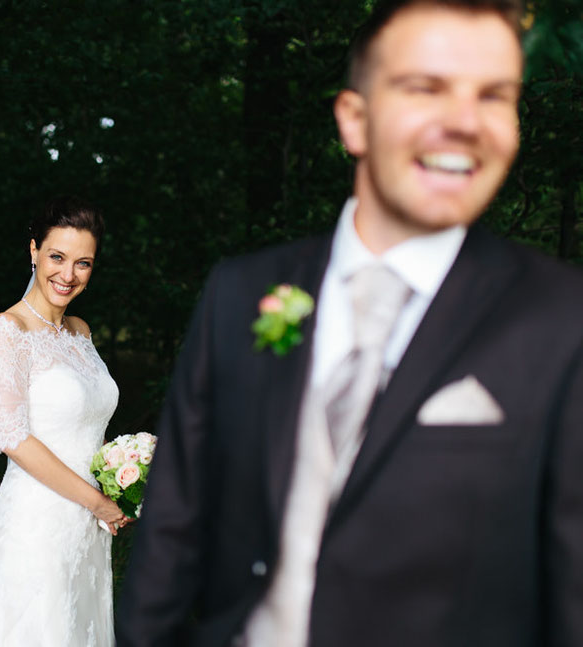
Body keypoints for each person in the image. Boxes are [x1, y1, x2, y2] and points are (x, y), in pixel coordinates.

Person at [116, 1, 583, 646]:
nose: (466, 122)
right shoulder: (240, 291)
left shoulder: (562, 319)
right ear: (355, 121)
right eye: (426, 87)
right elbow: (173, 528)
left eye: (495, 96)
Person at [0, 196, 127, 647]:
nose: (67, 275)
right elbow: (13, 438)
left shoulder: (80, 332)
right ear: (33, 251)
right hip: (38, 527)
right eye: (57, 257)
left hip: (87, 529)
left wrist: (124, 476)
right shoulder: (7, 331)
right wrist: (97, 502)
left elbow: (89, 424)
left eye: (83, 263)